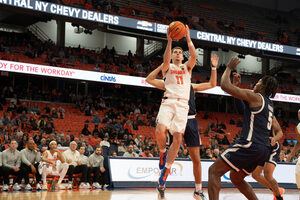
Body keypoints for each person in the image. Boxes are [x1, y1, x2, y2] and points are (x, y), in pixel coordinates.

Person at [146, 53, 218, 200]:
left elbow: (212, 84)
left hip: (190, 120)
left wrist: (213, 68)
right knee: (170, 144)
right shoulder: (169, 83)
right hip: (174, 115)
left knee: (196, 159)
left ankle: (198, 190)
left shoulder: (191, 85)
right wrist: (163, 65)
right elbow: (149, 79)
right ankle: (162, 183)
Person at [208, 57, 280, 200]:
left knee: (214, 171)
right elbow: (241, 109)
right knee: (236, 178)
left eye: (259, 82)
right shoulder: (269, 104)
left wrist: (228, 68)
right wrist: (237, 86)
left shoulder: (256, 96)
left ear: (263, 87)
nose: (256, 83)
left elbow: (224, 86)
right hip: (262, 150)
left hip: (249, 144)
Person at [147, 24, 196, 199]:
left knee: (178, 138)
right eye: (175, 52)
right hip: (168, 102)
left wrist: (188, 38)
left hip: (183, 105)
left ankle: (165, 171)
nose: (177, 54)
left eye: (179, 53)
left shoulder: (187, 68)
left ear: (183, 57)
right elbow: (165, 60)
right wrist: (169, 41)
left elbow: (194, 56)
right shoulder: (167, 67)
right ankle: (162, 152)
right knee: (160, 129)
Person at [232, 72, 284, 199]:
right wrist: (236, 89)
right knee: (255, 175)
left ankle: (278, 196)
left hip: (271, 146)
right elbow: (241, 108)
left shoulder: (268, 112)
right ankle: (276, 190)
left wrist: (274, 139)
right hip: (260, 145)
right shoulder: (255, 105)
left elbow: (280, 132)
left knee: (268, 175)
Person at [286, 109, 300, 192]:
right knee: (298, 173)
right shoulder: (298, 126)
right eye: (298, 113)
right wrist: (291, 154)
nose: (299, 115)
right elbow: (299, 142)